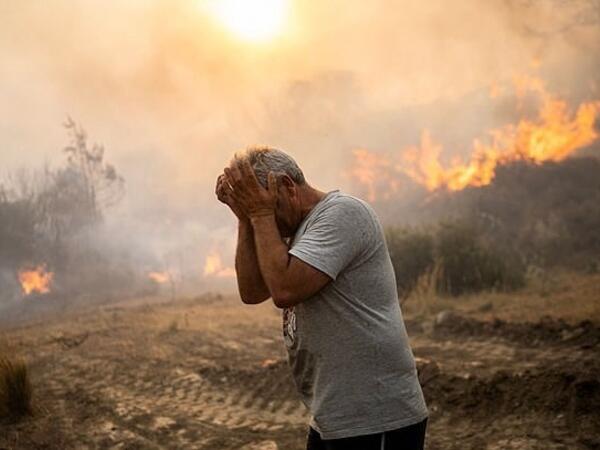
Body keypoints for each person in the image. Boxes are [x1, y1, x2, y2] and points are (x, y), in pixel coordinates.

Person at [215, 147, 428, 450]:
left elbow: (285, 290)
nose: (269, 224)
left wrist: (260, 215)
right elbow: (252, 292)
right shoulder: (298, 228)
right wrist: (245, 217)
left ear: (288, 187)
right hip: (334, 415)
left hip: (376, 415)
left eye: (266, 208)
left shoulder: (343, 214)